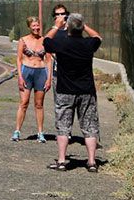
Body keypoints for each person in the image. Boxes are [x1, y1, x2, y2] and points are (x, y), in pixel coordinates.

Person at [44, 12, 103, 172]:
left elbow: (46, 41)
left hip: (65, 90)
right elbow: (98, 37)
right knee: (89, 125)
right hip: (86, 91)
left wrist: (57, 25)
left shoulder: (61, 43)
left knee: (63, 125)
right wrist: (83, 26)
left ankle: (62, 160)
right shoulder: (88, 44)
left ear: (68, 27)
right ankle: (91, 162)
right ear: (81, 27)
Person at [13, 17, 52, 143]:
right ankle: (17, 131)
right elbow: (19, 59)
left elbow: (48, 60)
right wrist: (20, 76)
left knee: (39, 104)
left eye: (38, 26)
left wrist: (49, 78)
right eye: (33, 26)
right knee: (24, 102)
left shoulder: (45, 41)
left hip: (41, 72)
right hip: (27, 72)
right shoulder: (23, 40)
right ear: (29, 27)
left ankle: (40, 132)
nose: (36, 28)